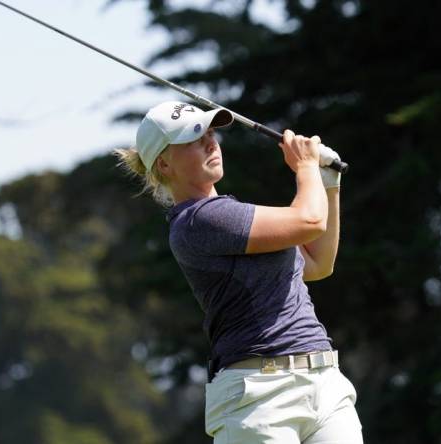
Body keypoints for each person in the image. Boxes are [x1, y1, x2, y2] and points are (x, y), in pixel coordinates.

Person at [115, 101, 363, 443]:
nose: (210, 143)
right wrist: (305, 167)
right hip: (259, 398)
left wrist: (328, 182)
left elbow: (318, 264)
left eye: (211, 132)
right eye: (192, 138)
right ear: (164, 163)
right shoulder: (198, 220)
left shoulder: (237, 215)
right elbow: (309, 221)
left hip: (323, 382)